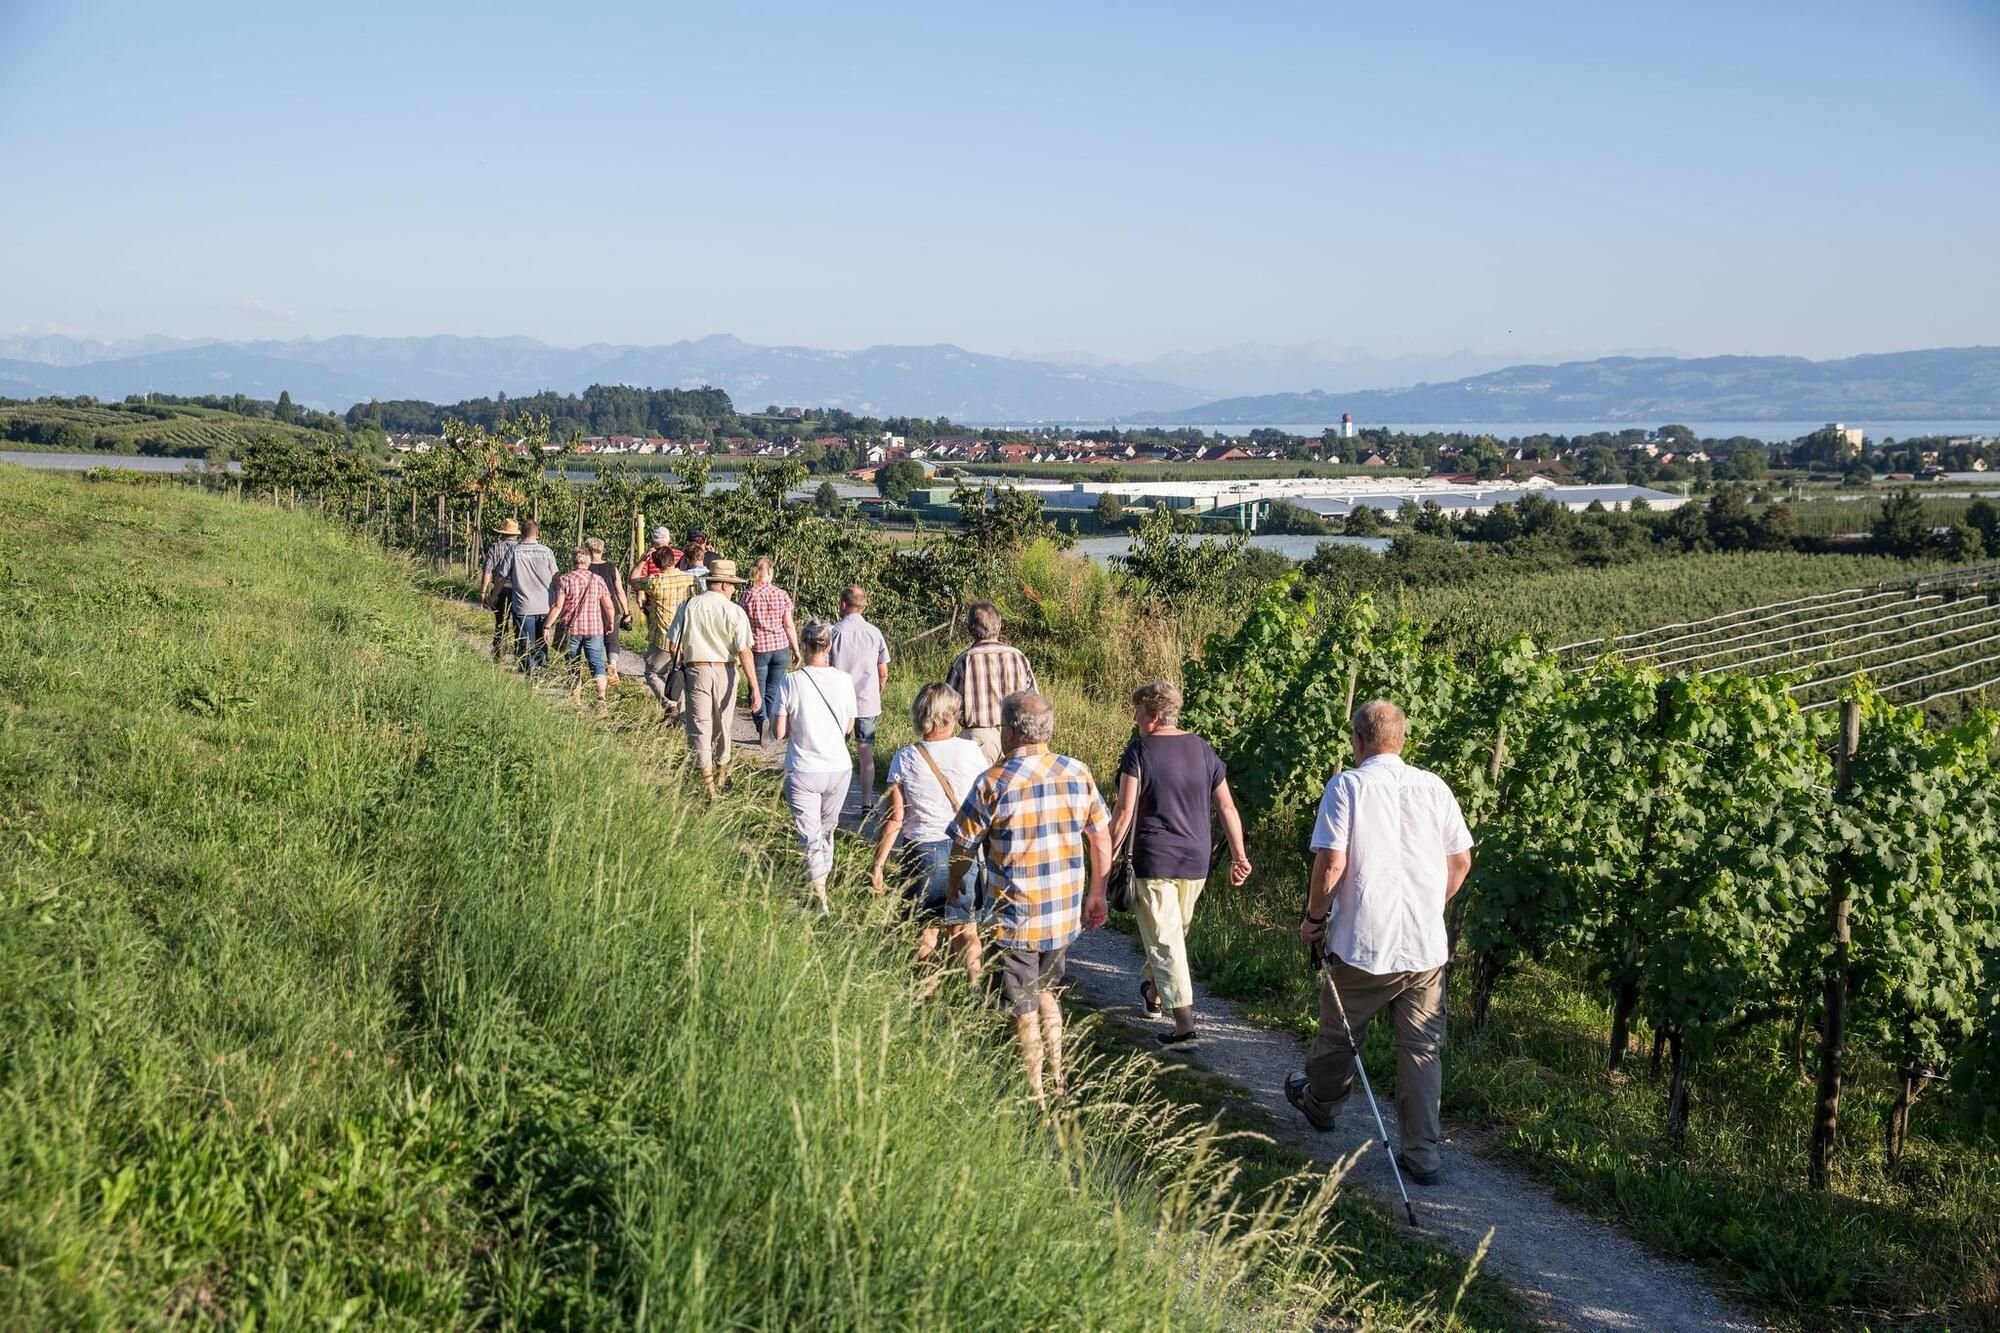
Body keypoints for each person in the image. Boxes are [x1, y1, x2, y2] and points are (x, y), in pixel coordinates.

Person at [1286, 700, 1474, 1187]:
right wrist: (1432, 904)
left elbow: (1331, 862)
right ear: (1402, 740)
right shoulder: (1435, 787)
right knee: (1422, 1050)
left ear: (1358, 740)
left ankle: (1322, 1104)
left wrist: (1314, 918)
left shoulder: (1347, 785)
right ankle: (1423, 1153)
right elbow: (1461, 862)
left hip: (1363, 942)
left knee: (1340, 1035)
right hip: (1425, 946)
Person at [949, 691, 1111, 1105]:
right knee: (1047, 991)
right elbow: (1100, 835)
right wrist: (1097, 893)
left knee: (1021, 1004)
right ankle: (1059, 1075)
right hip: (1061, 912)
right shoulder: (1077, 772)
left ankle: (1035, 1091)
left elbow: (963, 845)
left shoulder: (993, 782)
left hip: (1016, 914)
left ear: (1007, 731)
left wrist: (958, 893)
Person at [1107, 679, 1253, 1045]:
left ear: (1154, 715)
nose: (1136, 718)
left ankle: (1185, 1026)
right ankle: (1154, 993)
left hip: (1154, 857)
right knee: (1171, 934)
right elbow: (1226, 806)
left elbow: (1124, 812)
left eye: (1139, 711)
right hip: (1196, 859)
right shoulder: (1204, 750)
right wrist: (1239, 854)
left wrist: (1105, 857)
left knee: (1166, 941)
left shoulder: (1138, 751)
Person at [870, 682, 991, 990]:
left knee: (926, 932)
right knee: (966, 930)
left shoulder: (905, 758)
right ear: (950, 716)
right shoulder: (970, 751)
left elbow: (896, 817)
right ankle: (973, 993)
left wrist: (879, 863)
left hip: (921, 852)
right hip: (964, 849)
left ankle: (926, 999)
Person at [774, 620, 857, 914]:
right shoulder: (844, 680)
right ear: (829, 646)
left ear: (804, 646)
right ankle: (821, 880)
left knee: (810, 835)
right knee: (826, 830)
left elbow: (779, 732)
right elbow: (849, 726)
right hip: (839, 768)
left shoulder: (791, 681)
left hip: (804, 768)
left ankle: (819, 896)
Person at [666, 556, 760, 794]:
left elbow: (672, 644)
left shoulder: (688, 606)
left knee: (699, 725)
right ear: (726, 585)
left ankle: (707, 784)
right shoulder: (735, 611)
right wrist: (754, 688)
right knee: (723, 725)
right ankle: (720, 774)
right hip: (726, 670)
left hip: (696, 669)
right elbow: (745, 652)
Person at [945, 601, 1037, 764]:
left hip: (979, 741)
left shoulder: (964, 660)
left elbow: (946, 707)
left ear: (969, 629)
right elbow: (1034, 702)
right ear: (999, 626)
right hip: (1016, 736)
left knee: (977, 788)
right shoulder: (1019, 657)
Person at [827, 584, 890, 811]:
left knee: (836, 751)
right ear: (863, 605)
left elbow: (826, 666)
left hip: (838, 702)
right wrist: (878, 690)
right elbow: (883, 670)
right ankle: (866, 801)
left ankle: (833, 799)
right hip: (866, 700)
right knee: (866, 753)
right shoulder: (874, 633)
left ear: (843, 604)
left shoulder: (834, 632)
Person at [633, 527, 698, 722]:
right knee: (680, 673)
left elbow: (633, 580)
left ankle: (670, 704)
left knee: (652, 672)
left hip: (663, 636)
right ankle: (683, 715)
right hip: (685, 636)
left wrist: (642, 560)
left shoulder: (655, 582)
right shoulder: (690, 579)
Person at [543, 547, 619, 706]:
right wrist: (610, 622)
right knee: (597, 663)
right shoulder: (598, 580)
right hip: (594, 629)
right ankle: (601, 699)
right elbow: (609, 606)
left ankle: (577, 702)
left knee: (573, 665)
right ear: (589, 561)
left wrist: (547, 626)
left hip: (571, 629)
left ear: (573, 561)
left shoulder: (565, 579)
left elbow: (558, 606)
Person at [740, 556, 801, 744]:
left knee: (757, 689)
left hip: (758, 648)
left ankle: (761, 722)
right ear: (771, 572)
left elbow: (742, 623)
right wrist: (796, 649)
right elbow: (789, 625)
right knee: (773, 691)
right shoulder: (782, 594)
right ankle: (771, 727)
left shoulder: (748, 595)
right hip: (780, 647)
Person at [497, 519, 559, 673]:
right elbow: (556, 577)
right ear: (537, 534)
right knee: (542, 638)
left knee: (526, 640)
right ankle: (541, 669)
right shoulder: (547, 551)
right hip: (545, 604)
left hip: (523, 604)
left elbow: (502, 576)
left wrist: (494, 594)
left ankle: (530, 671)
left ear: (521, 534)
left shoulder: (513, 551)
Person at [583, 536, 631, 676]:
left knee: (594, 640)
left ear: (587, 550)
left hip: (592, 609)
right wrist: (626, 612)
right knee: (612, 639)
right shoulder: (611, 567)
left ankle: (597, 670)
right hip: (611, 607)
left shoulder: (585, 568)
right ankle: (612, 664)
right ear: (602, 550)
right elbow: (620, 591)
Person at [478, 517, 521, 662]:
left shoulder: (494, 548)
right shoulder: (521, 549)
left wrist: (483, 592)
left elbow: (488, 571)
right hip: (518, 590)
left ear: (502, 533)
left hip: (499, 589)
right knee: (518, 623)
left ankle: (498, 653)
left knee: (501, 622)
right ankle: (519, 655)